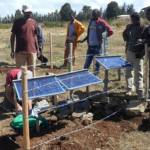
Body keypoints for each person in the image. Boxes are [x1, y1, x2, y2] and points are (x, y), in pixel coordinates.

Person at [79, 9, 113, 74]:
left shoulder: (102, 22)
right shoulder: (91, 22)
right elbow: (89, 34)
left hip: (98, 47)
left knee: (97, 65)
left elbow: (111, 31)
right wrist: (83, 40)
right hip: (90, 47)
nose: (93, 16)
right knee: (87, 63)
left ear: (98, 15)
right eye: (92, 14)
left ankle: (95, 77)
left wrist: (103, 37)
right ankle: (84, 76)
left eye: (94, 14)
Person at [10, 5, 39, 76]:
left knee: (32, 72)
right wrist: (12, 50)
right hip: (20, 52)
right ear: (23, 12)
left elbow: (35, 36)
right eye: (27, 12)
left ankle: (32, 86)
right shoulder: (17, 22)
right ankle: (21, 86)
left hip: (32, 51)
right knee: (20, 73)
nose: (29, 13)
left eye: (30, 12)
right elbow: (12, 37)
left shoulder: (34, 22)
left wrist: (38, 49)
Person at [123, 12, 145, 99]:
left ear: (137, 19)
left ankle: (139, 92)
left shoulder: (143, 27)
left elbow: (145, 41)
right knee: (128, 71)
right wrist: (127, 42)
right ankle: (129, 89)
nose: (131, 20)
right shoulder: (129, 26)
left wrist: (142, 52)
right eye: (131, 19)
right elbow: (124, 34)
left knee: (138, 73)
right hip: (129, 51)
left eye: (133, 19)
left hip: (138, 53)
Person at [142, 6, 150, 98]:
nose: (146, 15)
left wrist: (146, 41)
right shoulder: (148, 27)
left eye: (148, 13)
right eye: (146, 13)